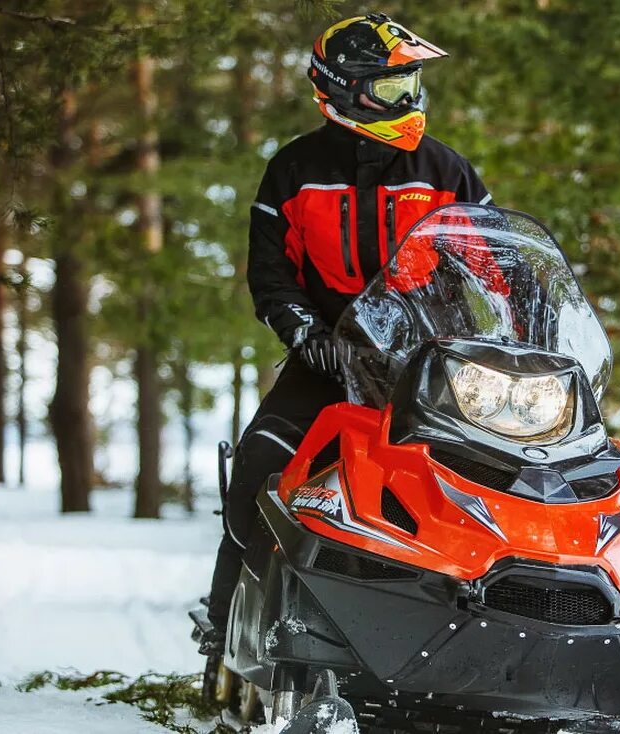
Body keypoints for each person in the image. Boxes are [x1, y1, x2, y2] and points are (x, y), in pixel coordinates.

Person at [200, 12, 494, 655]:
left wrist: (511, 331)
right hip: (327, 360)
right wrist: (304, 331)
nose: (409, 99)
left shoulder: (447, 173)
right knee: (262, 464)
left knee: (489, 484)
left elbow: (494, 268)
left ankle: (479, 629)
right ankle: (224, 627)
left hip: (430, 368)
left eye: (412, 83)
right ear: (341, 89)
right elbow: (270, 273)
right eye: (392, 87)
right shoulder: (293, 171)